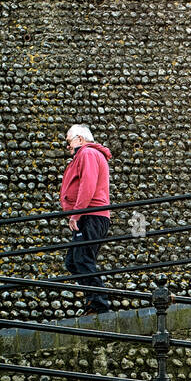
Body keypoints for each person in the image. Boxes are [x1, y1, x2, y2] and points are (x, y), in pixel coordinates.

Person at [60, 124, 113, 315]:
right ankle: (94, 300)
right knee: (74, 261)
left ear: (80, 139)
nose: (67, 146)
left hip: (90, 215)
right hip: (91, 215)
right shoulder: (88, 154)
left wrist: (76, 213)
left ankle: (99, 304)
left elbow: (87, 185)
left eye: (69, 141)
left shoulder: (87, 154)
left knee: (81, 258)